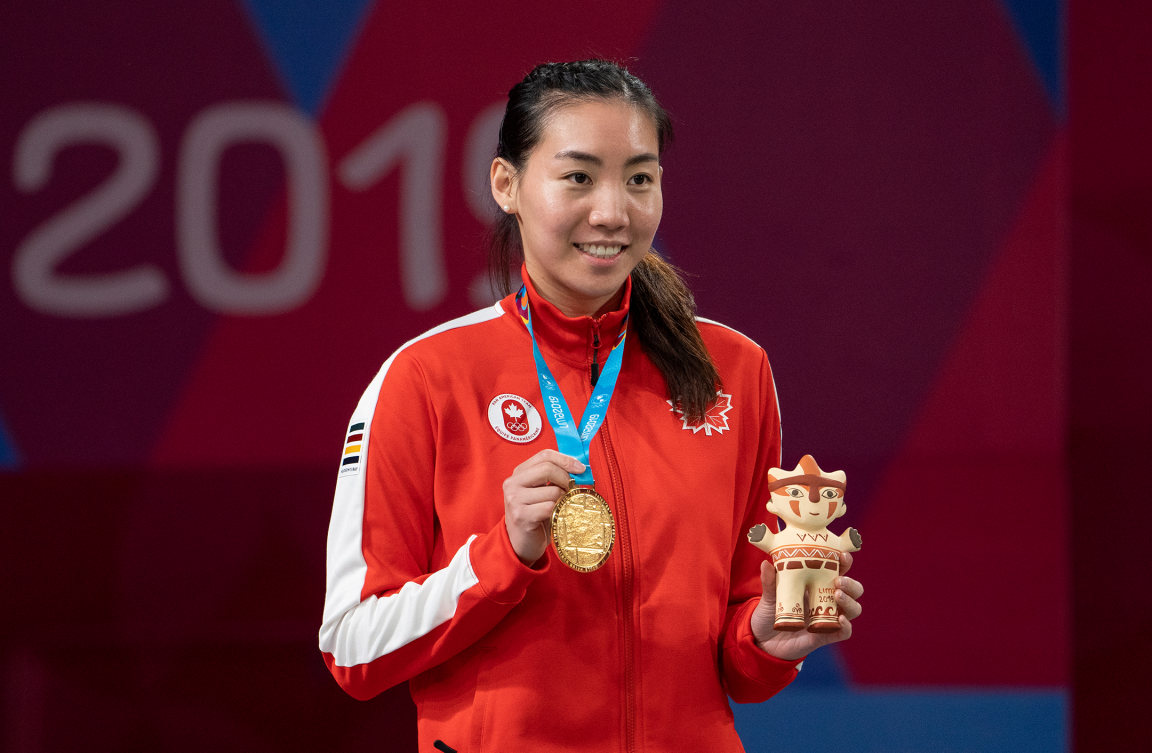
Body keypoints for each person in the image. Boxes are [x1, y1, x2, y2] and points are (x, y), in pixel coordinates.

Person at [319, 59, 864, 752]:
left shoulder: (734, 371)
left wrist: (767, 638)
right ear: (507, 185)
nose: (613, 211)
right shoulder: (426, 377)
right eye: (578, 177)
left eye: (639, 178)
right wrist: (503, 556)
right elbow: (353, 649)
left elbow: (735, 656)